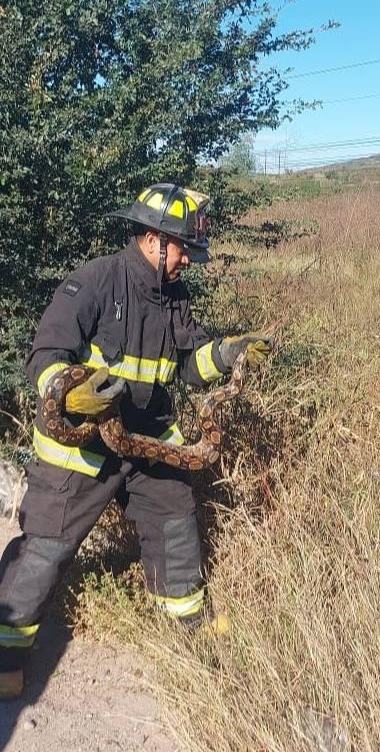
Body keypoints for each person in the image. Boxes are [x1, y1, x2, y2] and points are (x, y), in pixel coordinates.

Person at [0, 183, 272, 699]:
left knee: (174, 520)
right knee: (47, 546)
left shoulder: (174, 298)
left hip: (148, 439)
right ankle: (5, 652)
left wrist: (230, 351)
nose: (188, 262)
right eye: (184, 251)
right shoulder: (95, 280)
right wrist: (73, 393)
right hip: (82, 448)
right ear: (154, 239)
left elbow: (191, 365)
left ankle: (187, 621)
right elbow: (44, 356)